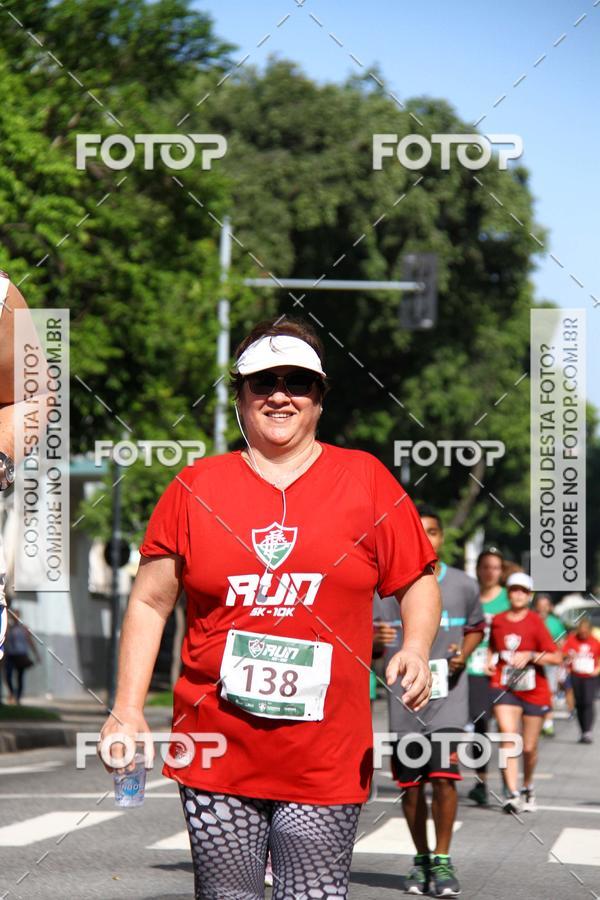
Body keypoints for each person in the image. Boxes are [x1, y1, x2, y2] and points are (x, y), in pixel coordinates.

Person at [98, 318, 441, 900]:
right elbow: (151, 601)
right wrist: (128, 709)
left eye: (298, 382)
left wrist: (415, 647)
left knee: (311, 894)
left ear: (320, 398)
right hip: (215, 746)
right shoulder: (194, 486)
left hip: (326, 751)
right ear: (240, 395)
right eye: (264, 382)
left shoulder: (367, 480)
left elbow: (417, 579)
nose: (280, 394)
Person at [374, 506, 484, 898]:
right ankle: (421, 857)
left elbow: (476, 627)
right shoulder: (383, 585)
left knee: (444, 778)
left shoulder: (464, 585)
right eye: (419, 532)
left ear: (441, 537)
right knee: (413, 786)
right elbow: (365, 640)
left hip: (449, 699)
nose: (427, 538)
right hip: (405, 701)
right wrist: (376, 642)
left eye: (434, 531)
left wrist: (464, 654)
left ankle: (442, 858)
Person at [487, 572, 562, 813]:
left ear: (529, 596)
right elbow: (492, 646)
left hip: (534, 689)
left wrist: (530, 655)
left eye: (523, 591)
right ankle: (512, 793)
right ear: (508, 593)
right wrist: (490, 660)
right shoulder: (498, 620)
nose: (518, 594)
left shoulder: (535, 622)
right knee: (508, 736)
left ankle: (528, 785)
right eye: (513, 590)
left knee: (528, 747)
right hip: (504, 686)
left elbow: (556, 656)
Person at [465, 547, 510, 805]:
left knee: (506, 729)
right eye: (485, 567)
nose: (490, 572)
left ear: (501, 571)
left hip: (502, 672)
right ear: (478, 570)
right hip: (472, 669)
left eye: (495, 567)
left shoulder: (509, 598)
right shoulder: (470, 595)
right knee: (479, 727)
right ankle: (481, 782)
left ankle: (509, 781)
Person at [562, 616, 600, 743]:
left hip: (590, 677)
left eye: (585, 632)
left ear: (589, 631)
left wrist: (597, 669)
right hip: (576, 675)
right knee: (579, 703)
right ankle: (583, 731)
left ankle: (588, 731)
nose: (583, 635)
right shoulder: (572, 639)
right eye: (581, 632)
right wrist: (568, 658)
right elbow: (564, 654)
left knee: (588, 702)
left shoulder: (595, 641)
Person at [533, 593, 565, 737]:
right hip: (531, 663)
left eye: (545, 606)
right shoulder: (530, 620)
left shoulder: (554, 622)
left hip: (550, 663)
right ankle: (535, 722)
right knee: (532, 693)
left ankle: (548, 723)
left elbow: (561, 643)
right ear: (535, 607)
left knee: (549, 692)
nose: (542, 609)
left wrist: (561, 660)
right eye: (540, 606)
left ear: (550, 607)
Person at [3, 608, 40, 704]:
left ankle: (18, 698)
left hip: (21, 655)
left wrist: (36, 654)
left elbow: (30, 642)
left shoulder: (24, 628)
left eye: (17, 615)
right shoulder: (8, 628)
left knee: (20, 677)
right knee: (8, 675)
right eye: (13, 616)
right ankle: (12, 693)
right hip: (10, 655)